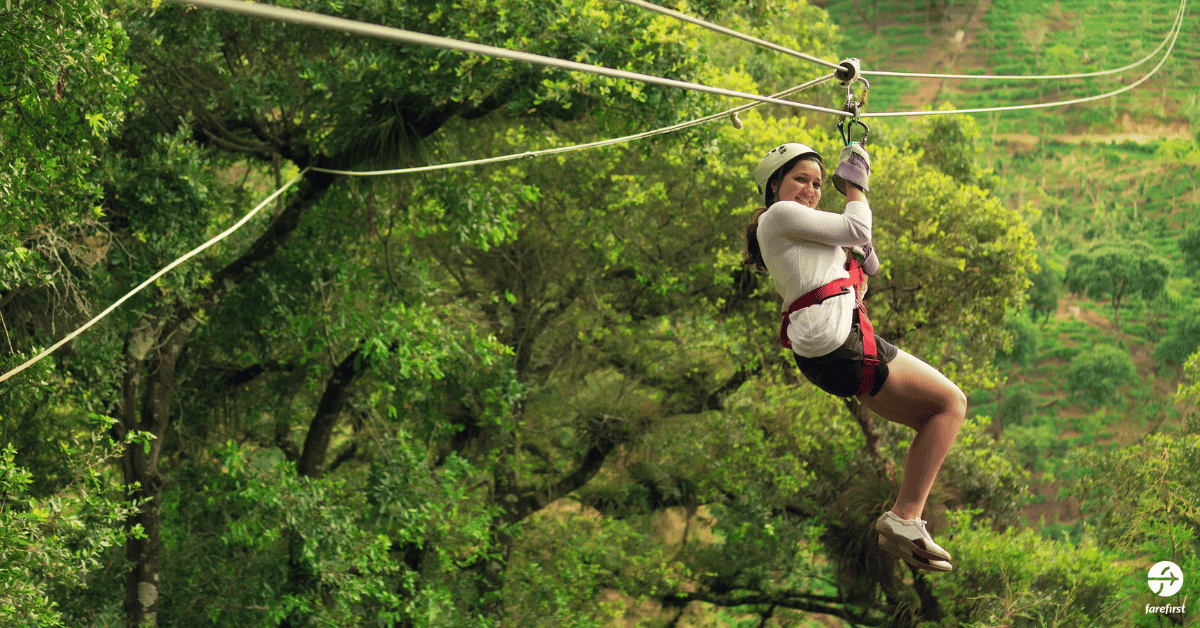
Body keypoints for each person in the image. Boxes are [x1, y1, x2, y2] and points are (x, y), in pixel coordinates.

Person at [742, 142, 967, 573]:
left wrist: (855, 262)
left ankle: (907, 519)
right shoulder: (779, 215)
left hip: (828, 354)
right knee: (951, 404)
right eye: (800, 180)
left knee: (933, 419)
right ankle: (904, 517)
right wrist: (855, 185)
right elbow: (856, 227)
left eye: (818, 184)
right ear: (774, 186)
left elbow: (849, 246)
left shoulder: (797, 231)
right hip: (840, 348)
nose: (810, 190)